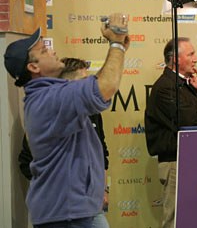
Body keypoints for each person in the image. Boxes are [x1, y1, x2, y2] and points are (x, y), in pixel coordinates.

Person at [4, 13, 129, 228]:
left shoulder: (53, 94)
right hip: (66, 216)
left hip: (76, 211)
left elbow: (98, 87)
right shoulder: (49, 99)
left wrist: (119, 48)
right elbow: (105, 87)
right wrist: (115, 44)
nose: (53, 50)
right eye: (44, 51)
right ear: (33, 68)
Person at [17, 57, 111, 228]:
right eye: (83, 81)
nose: (89, 86)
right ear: (67, 85)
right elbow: (26, 160)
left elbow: (102, 153)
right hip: (62, 211)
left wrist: (103, 189)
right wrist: (55, 185)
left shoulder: (92, 111)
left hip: (89, 204)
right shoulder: (48, 110)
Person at [144, 37, 197, 228]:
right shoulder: (165, 87)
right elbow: (191, 122)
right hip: (176, 162)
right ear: (175, 59)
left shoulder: (190, 84)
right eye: (191, 54)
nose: (196, 59)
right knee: (176, 220)